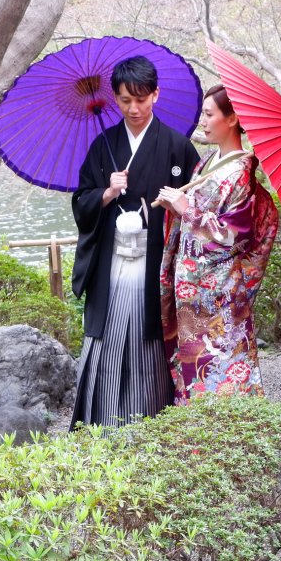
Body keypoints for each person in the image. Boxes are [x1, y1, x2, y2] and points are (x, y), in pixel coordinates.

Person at [69, 55, 200, 428]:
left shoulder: (177, 147)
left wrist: (177, 206)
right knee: (109, 338)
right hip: (113, 265)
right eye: (125, 100)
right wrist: (107, 193)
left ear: (155, 95)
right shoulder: (103, 145)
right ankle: (104, 425)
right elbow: (81, 203)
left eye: (141, 99)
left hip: (154, 264)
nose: (134, 108)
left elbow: (194, 208)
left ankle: (153, 422)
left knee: (150, 342)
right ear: (115, 99)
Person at [156, 84, 279, 404]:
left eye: (210, 115)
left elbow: (234, 237)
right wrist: (176, 208)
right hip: (194, 289)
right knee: (194, 366)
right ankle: (198, 442)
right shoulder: (209, 162)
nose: (203, 121)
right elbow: (195, 215)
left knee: (221, 368)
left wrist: (188, 211)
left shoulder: (239, 172)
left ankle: (227, 445)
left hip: (218, 293)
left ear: (233, 119)